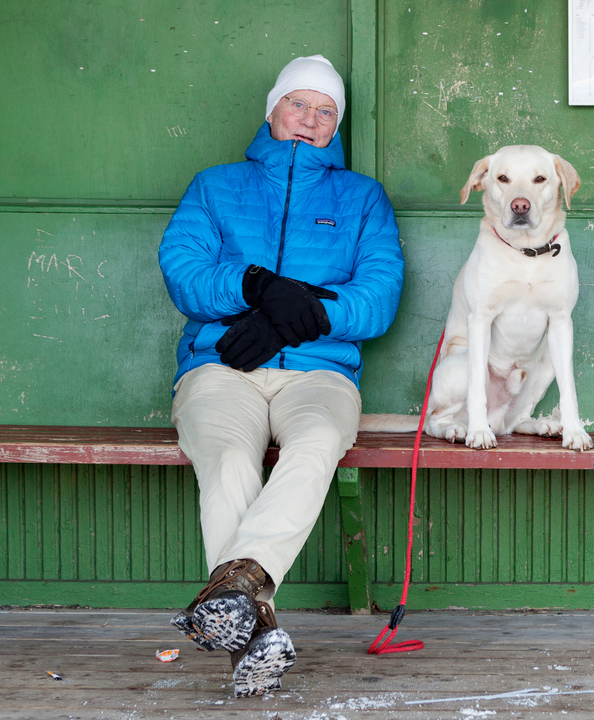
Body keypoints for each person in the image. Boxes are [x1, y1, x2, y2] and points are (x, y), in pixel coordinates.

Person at [157, 54, 404, 698]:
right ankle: (254, 622)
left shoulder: (361, 197)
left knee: (317, 442)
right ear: (272, 111)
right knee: (229, 457)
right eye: (299, 105)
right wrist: (254, 285)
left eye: (325, 112)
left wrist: (291, 318)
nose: (310, 120)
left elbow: (377, 299)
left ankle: (240, 595)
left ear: (336, 127)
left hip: (319, 376)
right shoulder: (214, 186)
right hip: (221, 366)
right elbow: (183, 271)